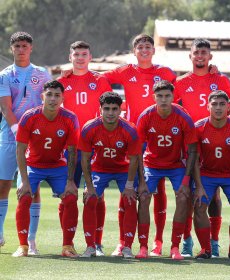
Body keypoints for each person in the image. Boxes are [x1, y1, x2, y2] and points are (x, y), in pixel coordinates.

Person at [102, 34, 177, 256]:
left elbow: (178, 92)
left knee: (158, 190)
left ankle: (158, 241)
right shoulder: (125, 71)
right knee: (128, 189)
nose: (144, 50)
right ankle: (123, 242)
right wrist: (118, 104)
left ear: (154, 51)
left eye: (148, 46)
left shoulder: (165, 73)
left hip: (158, 136)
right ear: (134, 51)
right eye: (140, 47)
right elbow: (99, 79)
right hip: (131, 137)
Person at [174, 38, 230, 257]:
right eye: (196, 52)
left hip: (216, 141)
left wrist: (220, 123)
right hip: (189, 142)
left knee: (214, 195)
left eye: (204, 52)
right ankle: (187, 241)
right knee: (188, 195)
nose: (200, 56)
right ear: (190, 56)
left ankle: (214, 241)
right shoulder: (181, 81)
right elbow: (170, 106)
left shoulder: (220, 79)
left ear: (210, 57)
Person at [12, 80, 79, 257]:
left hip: (57, 166)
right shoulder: (29, 116)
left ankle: (67, 246)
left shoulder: (70, 118)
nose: (52, 99)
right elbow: (20, 149)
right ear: (42, 96)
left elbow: (72, 151)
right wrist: (24, 181)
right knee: (25, 196)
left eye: (57, 95)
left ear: (63, 98)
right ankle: (23, 246)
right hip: (33, 166)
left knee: (71, 197)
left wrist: (71, 181)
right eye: (49, 95)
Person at [58, 41, 112, 256]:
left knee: (96, 196)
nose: (80, 58)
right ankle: (67, 243)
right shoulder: (61, 81)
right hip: (70, 147)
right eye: (76, 54)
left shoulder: (99, 80)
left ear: (90, 57)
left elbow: (110, 109)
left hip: (95, 146)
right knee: (67, 194)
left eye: (84, 54)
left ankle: (96, 243)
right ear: (70, 56)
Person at [0, 31, 51, 255]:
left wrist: (34, 133)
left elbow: (48, 102)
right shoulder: (4, 75)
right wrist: (17, 130)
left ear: (31, 48)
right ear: (12, 49)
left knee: (31, 188)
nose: (21, 49)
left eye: (25, 46)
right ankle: (0, 233)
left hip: (35, 139)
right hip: (9, 137)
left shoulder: (42, 74)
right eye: (17, 46)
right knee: (3, 185)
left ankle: (31, 240)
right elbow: (5, 107)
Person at [135, 80, 197, 260]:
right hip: (152, 165)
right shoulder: (146, 116)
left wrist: (186, 181)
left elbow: (192, 150)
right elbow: (137, 150)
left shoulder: (183, 116)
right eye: (160, 96)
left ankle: (175, 247)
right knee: (144, 196)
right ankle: (144, 246)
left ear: (173, 97)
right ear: (154, 97)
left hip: (176, 165)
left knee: (184, 197)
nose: (163, 100)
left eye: (167, 96)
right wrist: (141, 179)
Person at [78, 92, 141, 258]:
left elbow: (134, 159)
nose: (110, 112)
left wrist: (129, 186)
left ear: (121, 110)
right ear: (100, 109)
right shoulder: (89, 128)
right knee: (90, 199)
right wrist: (89, 187)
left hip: (123, 170)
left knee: (130, 199)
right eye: (106, 108)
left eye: (114, 109)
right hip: (99, 169)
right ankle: (90, 247)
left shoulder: (130, 129)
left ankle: (126, 247)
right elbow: (84, 159)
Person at [192, 90, 230, 260]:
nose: (218, 108)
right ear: (208, 106)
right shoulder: (198, 128)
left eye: (222, 104)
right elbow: (194, 159)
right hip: (205, 174)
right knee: (199, 206)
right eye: (214, 104)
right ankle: (205, 249)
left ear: (228, 107)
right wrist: (199, 185)